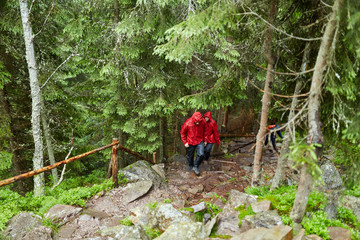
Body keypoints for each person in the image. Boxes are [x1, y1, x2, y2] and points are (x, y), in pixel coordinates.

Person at [180, 112, 205, 176]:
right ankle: (191, 166)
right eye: (196, 122)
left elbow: (206, 131)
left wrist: (206, 140)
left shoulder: (203, 122)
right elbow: (182, 133)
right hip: (190, 141)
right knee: (190, 155)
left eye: (199, 122)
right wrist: (185, 142)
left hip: (200, 140)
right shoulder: (187, 123)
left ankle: (195, 165)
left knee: (201, 154)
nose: (197, 123)